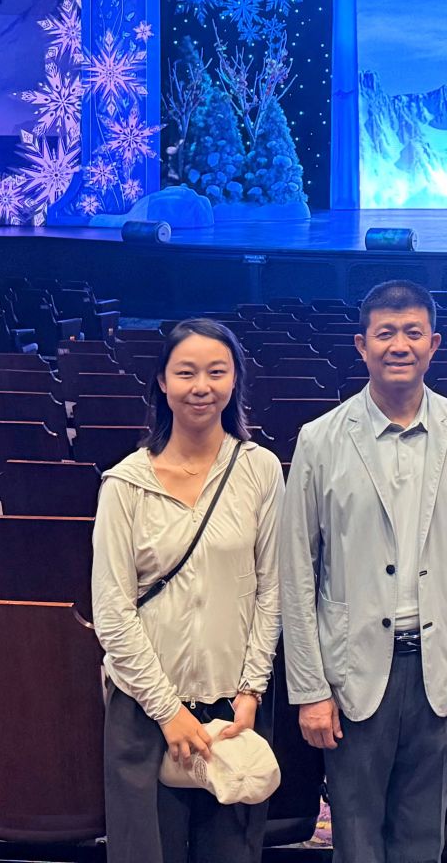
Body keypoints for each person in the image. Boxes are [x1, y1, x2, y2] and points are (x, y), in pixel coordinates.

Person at [278, 279, 447, 863]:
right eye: (385, 333)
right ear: (362, 345)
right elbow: (296, 574)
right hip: (351, 669)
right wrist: (309, 689)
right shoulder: (320, 439)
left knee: (423, 834)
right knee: (355, 835)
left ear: (434, 344)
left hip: (441, 665)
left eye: (412, 333)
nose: (398, 345)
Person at [93, 318, 286, 863]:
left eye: (216, 372)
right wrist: (167, 711)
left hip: (234, 707)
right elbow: (112, 612)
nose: (201, 386)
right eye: (186, 373)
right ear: (162, 381)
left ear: (234, 380)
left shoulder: (260, 470)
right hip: (144, 710)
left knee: (232, 852)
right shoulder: (125, 483)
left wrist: (251, 690)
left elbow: (272, 590)